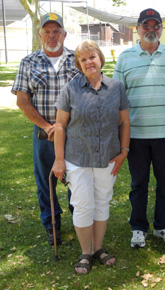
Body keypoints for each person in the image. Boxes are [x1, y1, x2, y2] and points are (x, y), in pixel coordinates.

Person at [113, 8, 165, 248]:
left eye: (155, 25)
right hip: (135, 134)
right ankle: (138, 227)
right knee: (138, 183)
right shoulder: (126, 57)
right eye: (146, 25)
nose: (151, 29)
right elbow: (117, 96)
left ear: (161, 29)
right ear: (137, 28)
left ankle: (163, 225)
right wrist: (117, 133)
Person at [52, 40, 130, 274]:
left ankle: (98, 248)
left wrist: (124, 151)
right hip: (78, 158)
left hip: (108, 157)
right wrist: (58, 160)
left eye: (92, 57)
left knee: (102, 202)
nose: (88, 62)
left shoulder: (116, 87)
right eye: (83, 59)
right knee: (83, 205)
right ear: (79, 64)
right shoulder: (70, 89)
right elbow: (60, 125)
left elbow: (124, 121)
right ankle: (85, 252)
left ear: (100, 58)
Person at [11, 13, 79, 246]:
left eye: (56, 31)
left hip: (75, 134)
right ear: (40, 34)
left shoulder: (76, 59)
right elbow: (22, 101)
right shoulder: (28, 62)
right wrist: (49, 126)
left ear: (64, 34)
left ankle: (81, 222)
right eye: (47, 31)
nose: (52, 36)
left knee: (76, 179)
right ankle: (52, 226)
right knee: (46, 182)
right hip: (44, 134)